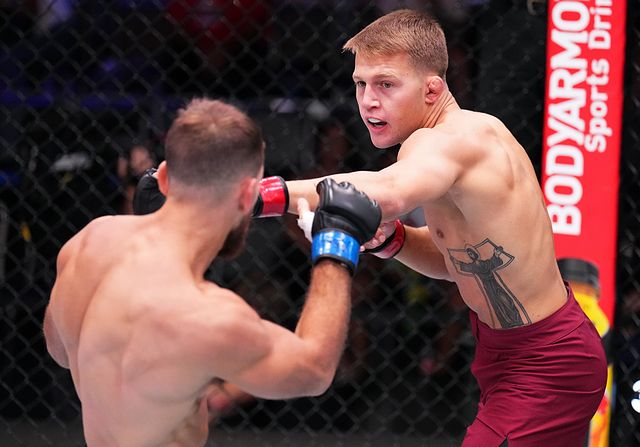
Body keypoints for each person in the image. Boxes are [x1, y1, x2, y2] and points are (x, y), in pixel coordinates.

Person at [132, 10, 607, 446]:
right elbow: (458, 262)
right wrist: (394, 241)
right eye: (361, 84)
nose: (368, 101)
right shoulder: (458, 141)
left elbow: (385, 191)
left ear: (432, 90)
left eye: (385, 85)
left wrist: (241, 197)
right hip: (520, 350)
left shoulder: (450, 141)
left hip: (544, 361)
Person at [42, 98, 381, 447]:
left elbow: (60, 350)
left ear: (163, 177)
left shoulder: (86, 244)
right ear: (249, 195)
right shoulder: (210, 316)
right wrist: (336, 247)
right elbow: (313, 371)